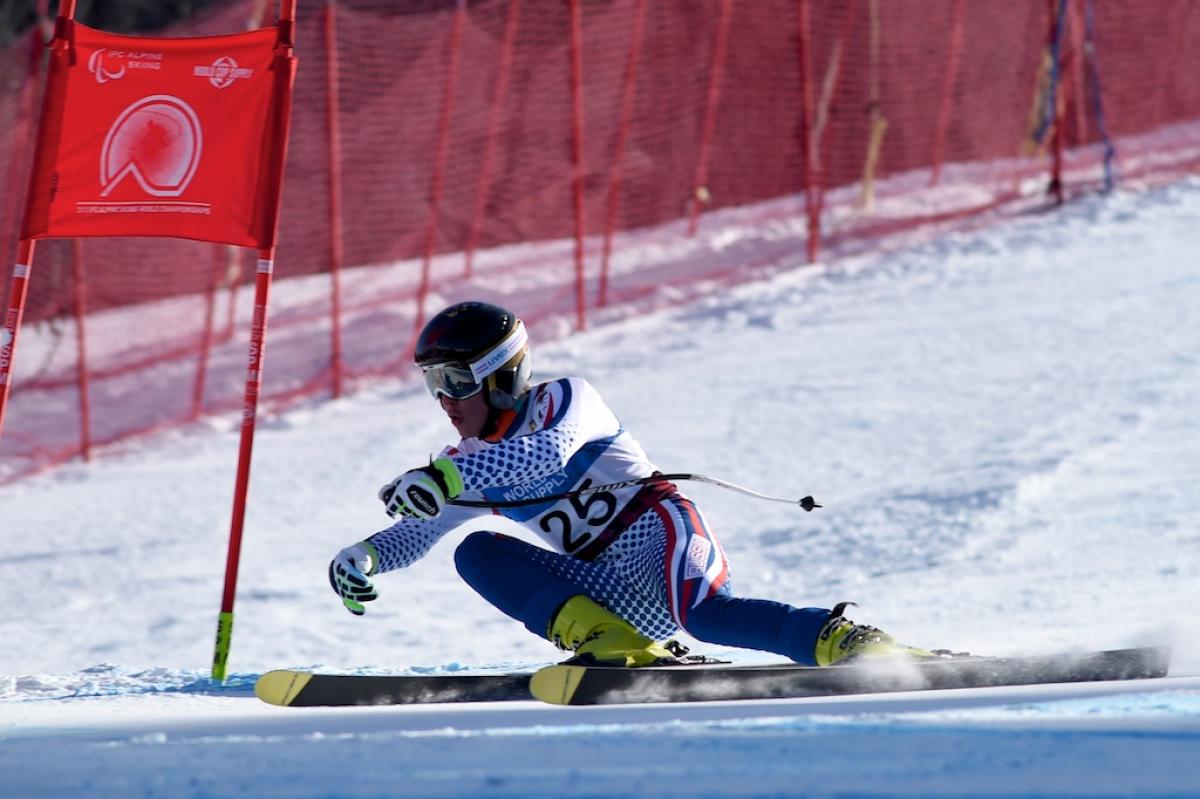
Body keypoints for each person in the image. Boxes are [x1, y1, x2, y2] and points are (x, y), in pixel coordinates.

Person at [329, 300, 928, 667]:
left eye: (455, 379)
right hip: (605, 584)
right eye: (432, 382)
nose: (444, 400)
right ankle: (608, 640)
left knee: (707, 618)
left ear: (499, 375)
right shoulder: (463, 458)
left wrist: (447, 475)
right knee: (476, 551)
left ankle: (844, 641)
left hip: (657, 532)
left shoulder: (567, 401)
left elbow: (544, 455)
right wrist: (367, 556)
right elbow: (420, 530)